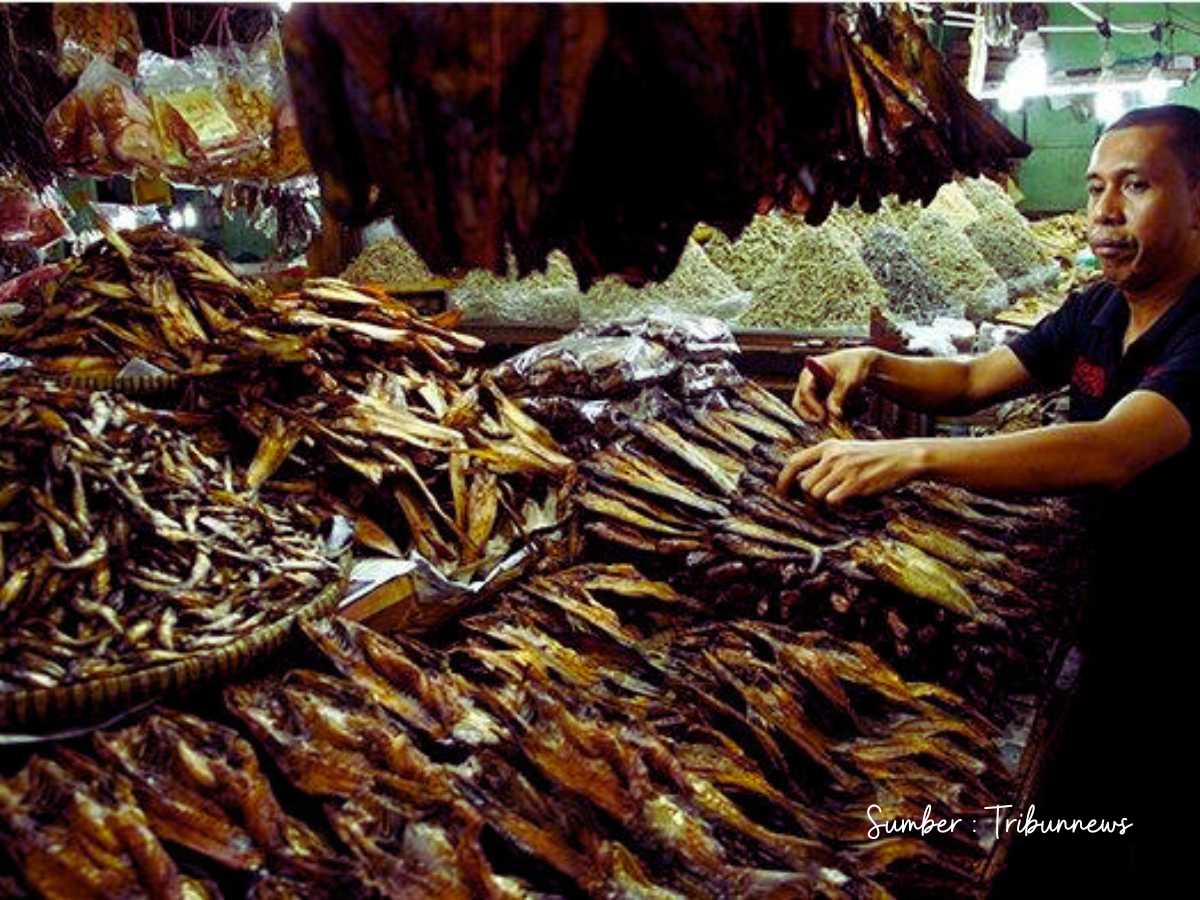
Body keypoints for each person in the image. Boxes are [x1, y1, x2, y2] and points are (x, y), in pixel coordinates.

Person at [780, 104, 1200, 893]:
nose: (1105, 214)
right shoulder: (1100, 308)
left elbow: (1111, 450)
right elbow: (976, 379)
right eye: (1094, 189)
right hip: (1109, 609)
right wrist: (871, 364)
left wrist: (917, 456)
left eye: (1136, 187)